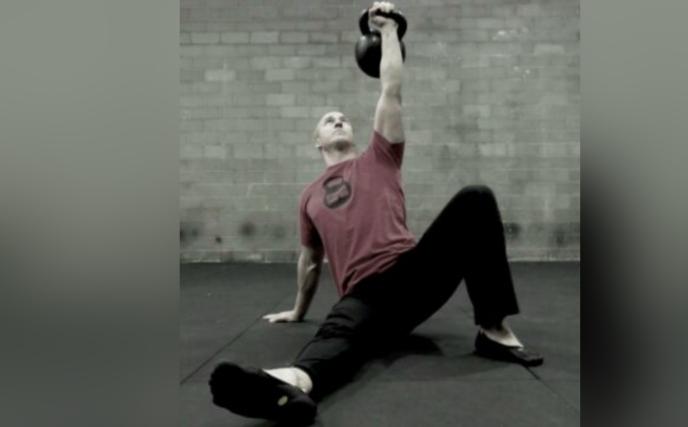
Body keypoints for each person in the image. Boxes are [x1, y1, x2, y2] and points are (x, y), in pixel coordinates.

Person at [209, 2, 543, 424]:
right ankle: (290, 387)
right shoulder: (308, 196)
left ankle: (493, 330)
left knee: (476, 198)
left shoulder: (380, 157)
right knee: (336, 336)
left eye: (343, 117)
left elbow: (391, 89)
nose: (339, 120)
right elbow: (310, 260)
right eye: (329, 120)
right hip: (363, 296)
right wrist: (297, 311)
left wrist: (387, 30)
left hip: (412, 274)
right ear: (317, 141)